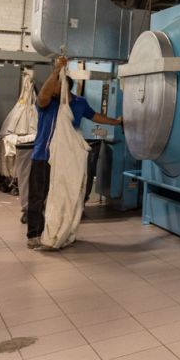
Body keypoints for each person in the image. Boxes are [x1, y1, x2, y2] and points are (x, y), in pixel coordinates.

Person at [26, 56, 121, 250]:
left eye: (54, 85)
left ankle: (62, 230)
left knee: (66, 196)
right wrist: (56, 70)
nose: (49, 88)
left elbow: (94, 116)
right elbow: (42, 96)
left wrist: (115, 122)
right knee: (38, 197)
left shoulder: (79, 103)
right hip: (43, 156)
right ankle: (34, 234)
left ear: (63, 88)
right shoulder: (47, 103)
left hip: (67, 159)